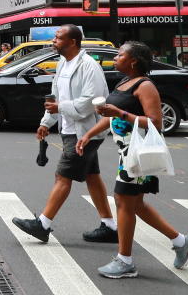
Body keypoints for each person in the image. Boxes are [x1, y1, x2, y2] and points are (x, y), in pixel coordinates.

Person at [77, 41, 188, 279]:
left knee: (124, 201)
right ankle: (182, 241)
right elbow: (111, 114)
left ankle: (125, 260)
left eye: (120, 55)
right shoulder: (124, 81)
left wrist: (120, 113)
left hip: (139, 153)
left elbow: (155, 122)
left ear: (133, 61)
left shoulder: (145, 86)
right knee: (135, 204)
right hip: (126, 153)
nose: (115, 58)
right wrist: (89, 134)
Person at [12, 24, 117, 244]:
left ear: (72, 42)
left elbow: (91, 101)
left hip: (85, 132)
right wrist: (46, 122)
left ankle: (43, 224)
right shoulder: (62, 63)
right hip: (69, 129)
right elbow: (55, 97)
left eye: (58, 38)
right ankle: (109, 225)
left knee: (63, 176)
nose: (54, 41)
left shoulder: (88, 66)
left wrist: (60, 109)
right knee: (91, 176)